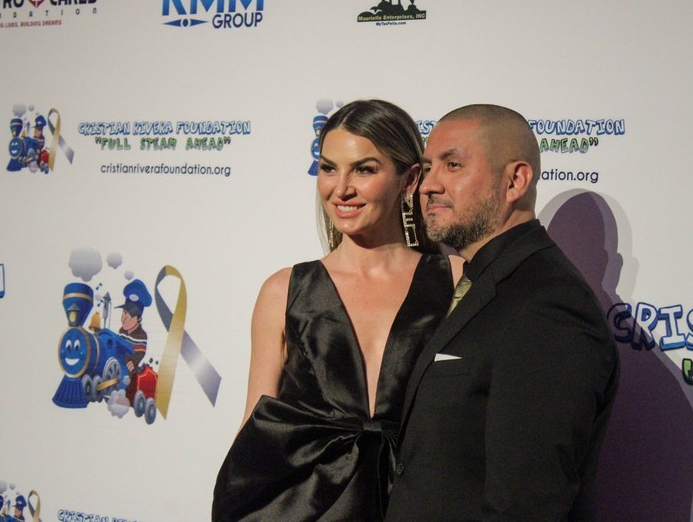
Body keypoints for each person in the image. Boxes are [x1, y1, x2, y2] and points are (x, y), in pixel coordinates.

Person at [212, 99, 459, 521]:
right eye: (328, 168)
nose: (340, 188)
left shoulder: (456, 282)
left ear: (409, 179)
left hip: (423, 503)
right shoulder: (284, 290)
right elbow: (257, 428)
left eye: (364, 170)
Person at [385, 104, 620, 520]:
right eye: (429, 167)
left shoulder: (548, 306)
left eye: (453, 165)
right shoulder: (484, 280)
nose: (428, 185)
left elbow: (526, 504)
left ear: (515, 181)